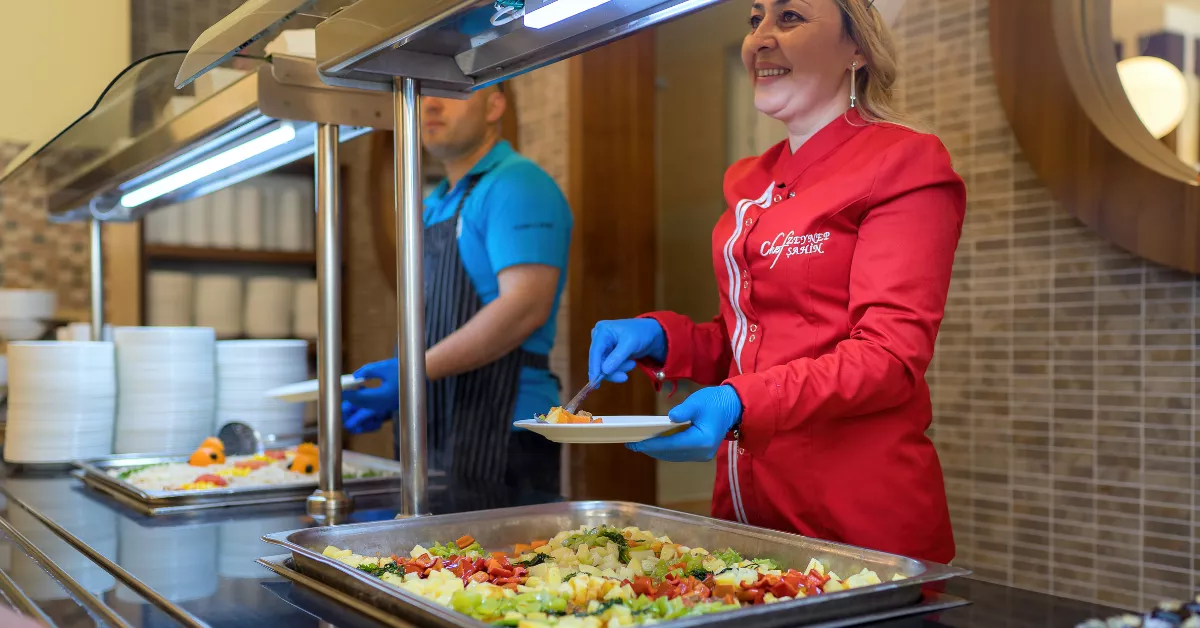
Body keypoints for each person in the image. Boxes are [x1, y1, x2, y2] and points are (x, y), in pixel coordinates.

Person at [587, 0, 964, 563]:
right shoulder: (750, 180)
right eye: (755, 19)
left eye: (790, 17)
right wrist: (666, 338)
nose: (760, 38)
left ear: (856, 48)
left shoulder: (904, 161)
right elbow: (752, 341)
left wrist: (739, 401)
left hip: (857, 526)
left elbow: (890, 356)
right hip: (745, 518)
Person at [341, 83, 570, 494]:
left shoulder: (518, 185)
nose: (429, 103)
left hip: (504, 430)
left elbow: (524, 307)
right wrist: (401, 393)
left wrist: (411, 373)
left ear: (494, 105)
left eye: (451, 90)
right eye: (424, 91)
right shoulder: (435, 202)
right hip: (436, 427)